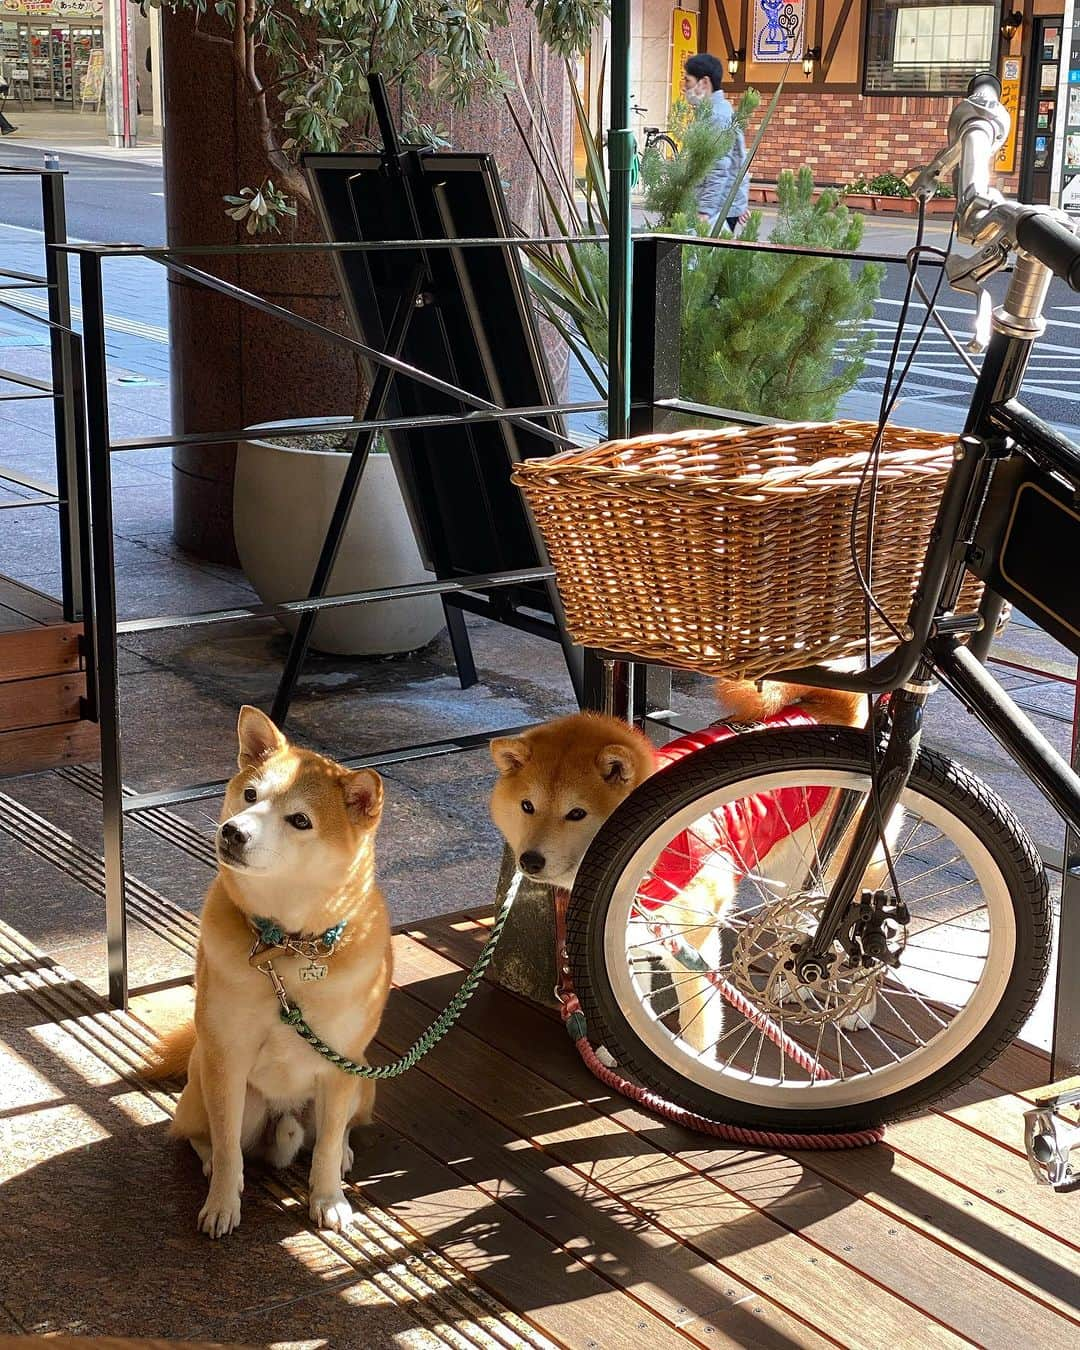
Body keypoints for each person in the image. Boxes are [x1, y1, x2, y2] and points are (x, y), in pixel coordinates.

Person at [681, 52, 747, 231]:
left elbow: (718, 168)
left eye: (688, 81)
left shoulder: (716, 116)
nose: (684, 87)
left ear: (704, 83)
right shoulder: (719, 110)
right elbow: (738, 158)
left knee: (696, 258)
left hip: (714, 210)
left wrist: (704, 211)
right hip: (722, 205)